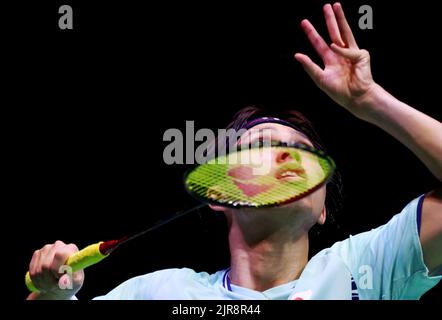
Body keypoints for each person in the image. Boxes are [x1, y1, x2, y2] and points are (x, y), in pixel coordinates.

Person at [26, 3, 441, 300]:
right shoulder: (161, 291)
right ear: (220, 194)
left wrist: (372, 101)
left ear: (322, 210)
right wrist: (49, 295)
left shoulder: (365, 269)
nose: (288, 157)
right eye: (262, 147)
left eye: (305, 154)